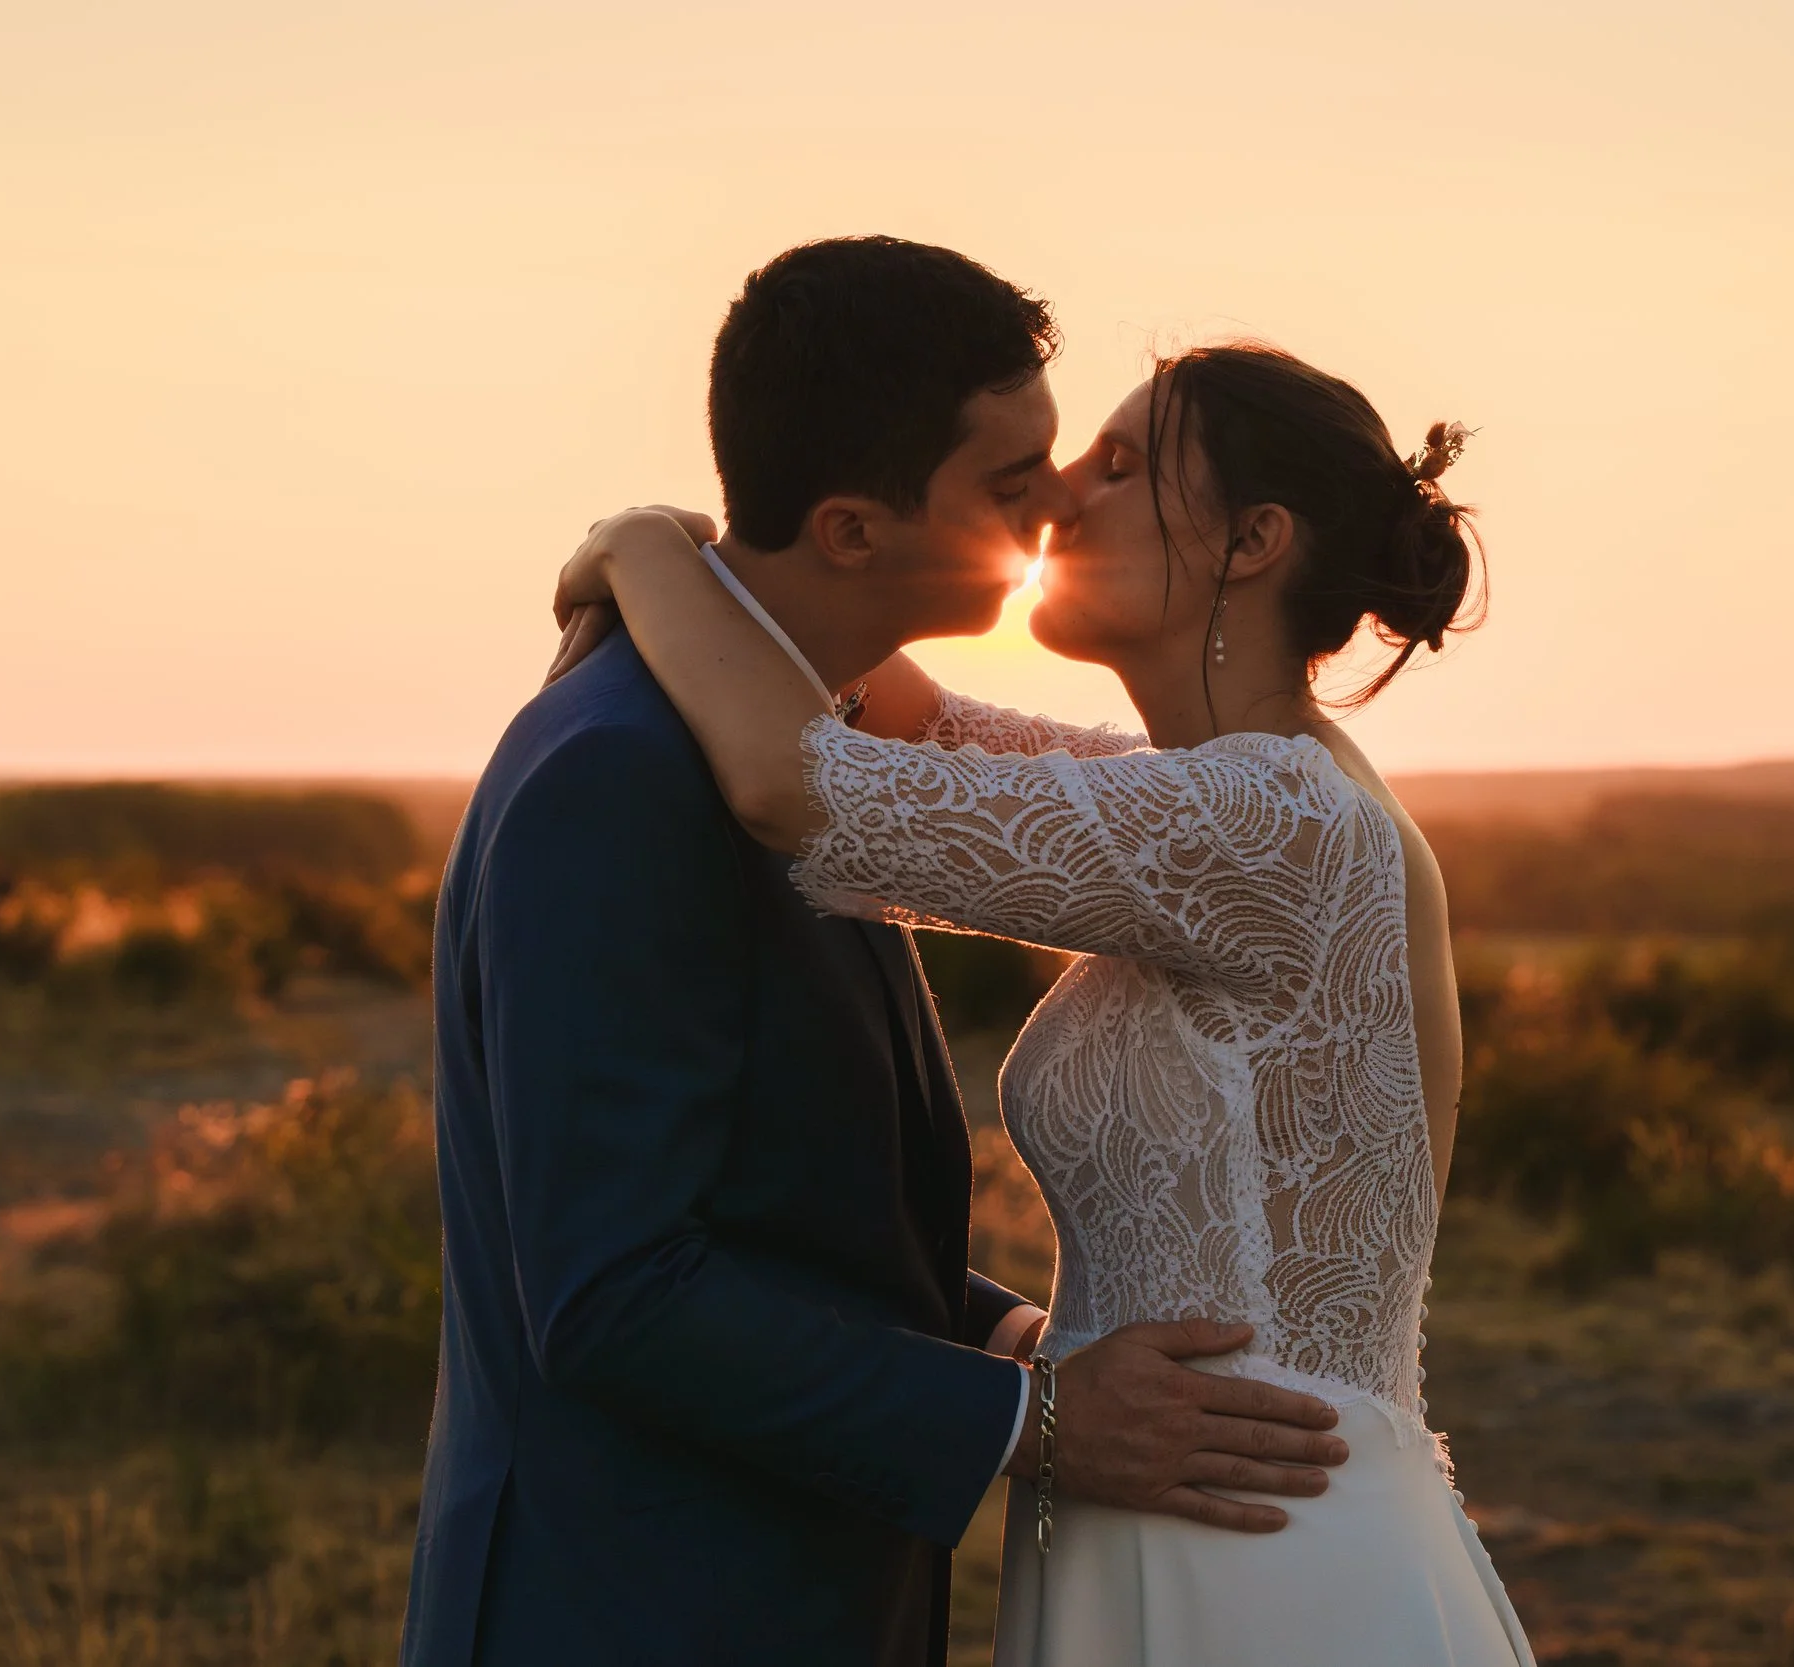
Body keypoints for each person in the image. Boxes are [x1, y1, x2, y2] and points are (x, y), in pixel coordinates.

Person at [400, 237, 1348, 1667]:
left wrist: (1012, 1341)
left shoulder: (816, 743)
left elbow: (789, 1213)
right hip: (638, 1610)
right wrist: (1037, 1424)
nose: (1056, 513)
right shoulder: (622, 777)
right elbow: (613, 1294)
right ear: (850, 528)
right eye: (1009, 483)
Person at [552, 338, 1537, 1666]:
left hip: (1268, 1547)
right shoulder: (1206, 792)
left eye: (1119, 465)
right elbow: (909, 722)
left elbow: (801, 783)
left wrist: (642, 546)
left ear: (1253, 540)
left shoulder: (1275, 822)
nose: (1059, 497)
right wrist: (1038, 1336)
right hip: (1167, 1495)